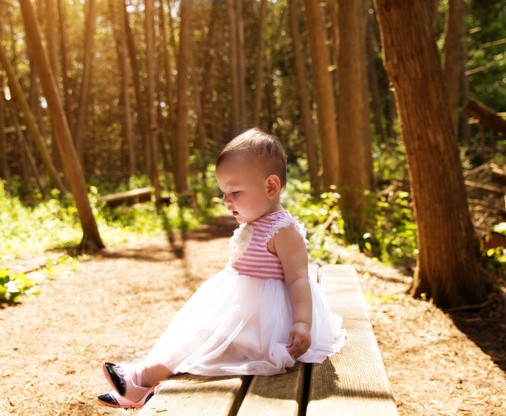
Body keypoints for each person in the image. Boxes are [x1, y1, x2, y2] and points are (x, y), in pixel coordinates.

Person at [97, 128, 346, 408]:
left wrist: (302, 324)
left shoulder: (284, 229)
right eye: (224, 192)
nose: (227, 201)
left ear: (271, 187)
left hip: (268, 323)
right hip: (242, 313)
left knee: (201, 340)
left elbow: (298, 279)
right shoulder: (252, 224)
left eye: (235, 192)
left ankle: (141, 379)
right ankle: (140, 383)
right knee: (193, 332)